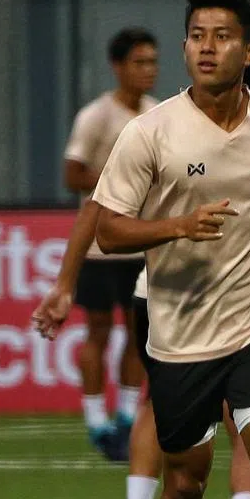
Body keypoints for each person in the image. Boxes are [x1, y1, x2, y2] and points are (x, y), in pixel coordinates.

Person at [30, 44, 250, 499]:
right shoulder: (160, 127)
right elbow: (98, 209)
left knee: (240, 424)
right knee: (197, 428)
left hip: (244, 305)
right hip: (168, 295)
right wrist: (64, 284)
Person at [62, 27, 159, 459]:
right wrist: (120, 183)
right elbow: (72, 174)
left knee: (140, 335)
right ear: (118, 66)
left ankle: (123, 419)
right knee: (98, 331)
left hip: (142, 245)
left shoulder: (158, 115)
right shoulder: (96, 116)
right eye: (139, 62)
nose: (148, 70)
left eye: (153, 62)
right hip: (102, 245)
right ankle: (94, 420)